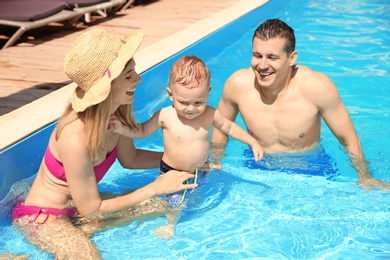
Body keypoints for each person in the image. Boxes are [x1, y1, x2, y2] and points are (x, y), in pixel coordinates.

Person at [11, 28, 198, 259]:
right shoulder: (75, 138)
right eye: (129, 75)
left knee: (162, 205)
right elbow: (91, 209)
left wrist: (181, 159)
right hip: (42, 217)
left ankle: (80, 231)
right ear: (107, 88)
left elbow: (131, 159)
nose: (138, 79)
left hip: (76, 211)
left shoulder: (117, 118)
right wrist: (156, 186)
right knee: (87, 256)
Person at [211, 18, 390, 189]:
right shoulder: (237, 85)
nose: (263, 65)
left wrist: (365, 177)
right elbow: (220, 128)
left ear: (292, 58)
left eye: (272, 57)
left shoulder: (317, 87)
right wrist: (216, 163)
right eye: (257, 55)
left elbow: (348, 139)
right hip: (257, 164)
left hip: (311, 167)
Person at [109, 55, 264, 238]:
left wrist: (252, 141)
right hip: (173, 173)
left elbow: (229, 127)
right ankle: (170, 224)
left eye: (199, 102)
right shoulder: (165, 115)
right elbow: (142, 131)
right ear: (170, 94)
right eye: (183, 102)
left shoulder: (210, 114)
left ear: (208, 93)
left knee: (195, 196)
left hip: (201, 170)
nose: (191, 108)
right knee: (176, 204)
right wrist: (122, 128)